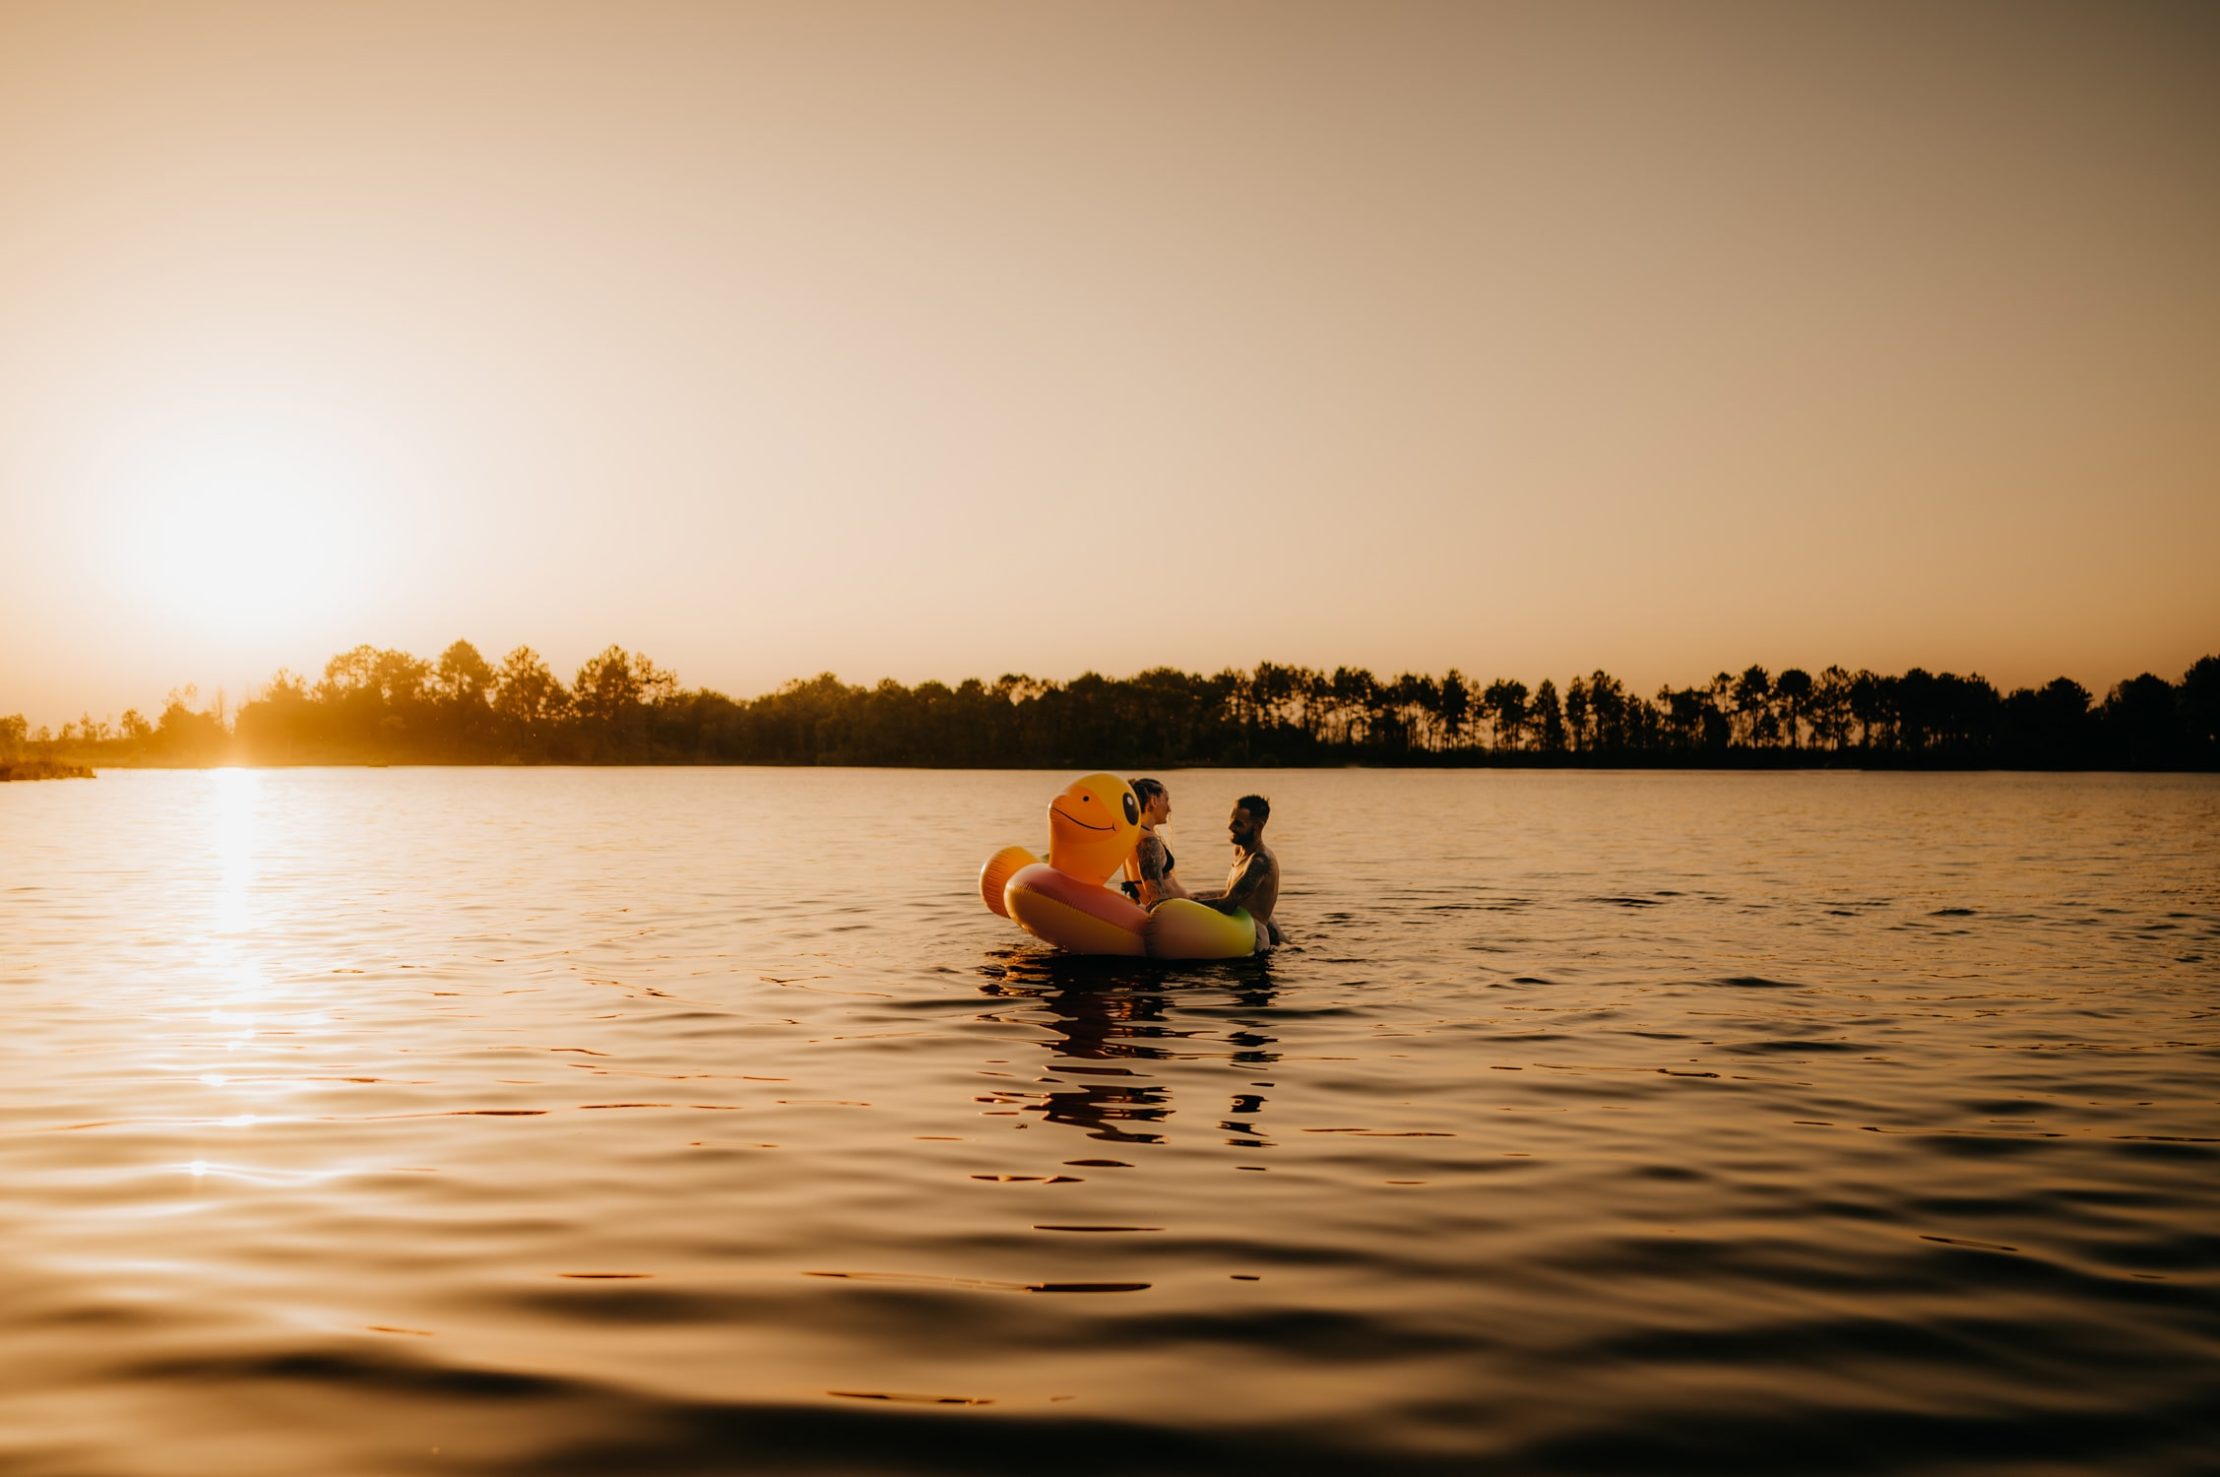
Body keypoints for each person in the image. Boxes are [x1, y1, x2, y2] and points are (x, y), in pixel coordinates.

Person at [1195, 793, 1281, 951]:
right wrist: (1196, 896)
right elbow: (1234, 892)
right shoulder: (1240, 851)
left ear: (1257, 827)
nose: (1230, 827)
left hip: (1252, 939)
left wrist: (1181, 904)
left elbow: (1228, 904)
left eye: (1238, 823)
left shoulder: (1260, 861)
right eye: (1231, 820)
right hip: (1237, 930)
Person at [1120, 777, 1190, 907]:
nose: (1169, 808)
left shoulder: (1133, 834)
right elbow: (1156, 898)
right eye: (1166, 800)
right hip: (1176, 913)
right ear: (1153, 801)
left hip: (1180, 907)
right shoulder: (1148, 841)